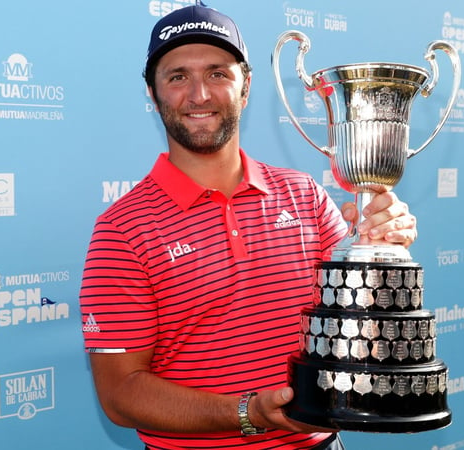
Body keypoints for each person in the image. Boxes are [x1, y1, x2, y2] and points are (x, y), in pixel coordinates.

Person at [79, 3, 418, 449]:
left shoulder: (306, 196)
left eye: (218, 73)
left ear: (246, 86)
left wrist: (382, 248)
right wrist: (247, 413)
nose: (199, 94)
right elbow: (121, 394)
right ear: (152, 91)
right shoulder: (122, 229)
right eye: (178, 76)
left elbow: (365, 322)